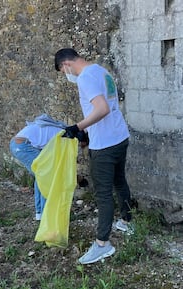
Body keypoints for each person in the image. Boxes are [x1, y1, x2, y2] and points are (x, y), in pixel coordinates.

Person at [54, 48, 133, 264]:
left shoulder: (85, 78)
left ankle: (102, 244)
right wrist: (86, 133)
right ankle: (127, 221)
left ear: (66, 65)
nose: (66, 75)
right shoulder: (101, 71)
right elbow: (107, 107)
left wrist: (76, 127)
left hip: (105, 145)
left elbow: (101, 108)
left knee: (103, 193)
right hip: (119, 136)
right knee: (119, 181)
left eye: (62, 71)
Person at [9, 114, 68, 221]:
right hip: (23, 146)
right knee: (46, 176)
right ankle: (47, 215)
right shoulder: (65, 136)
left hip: (18, 144)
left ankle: (40, 214)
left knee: (41, 176)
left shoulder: (58, 130)